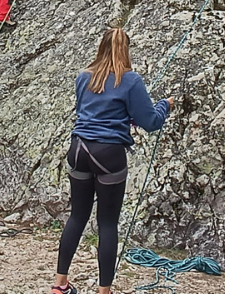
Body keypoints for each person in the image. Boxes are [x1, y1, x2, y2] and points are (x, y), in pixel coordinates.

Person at [51, 27, 172, 294]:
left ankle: (60, 284)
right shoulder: (130, 80)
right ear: (125, 50)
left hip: (79, 148)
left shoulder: (83, 77)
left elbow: (89, 110)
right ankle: (104, 291)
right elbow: (150, 121)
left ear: (101, 47)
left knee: (77, 217)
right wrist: (165, 105)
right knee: (107, 223)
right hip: (109, 154)